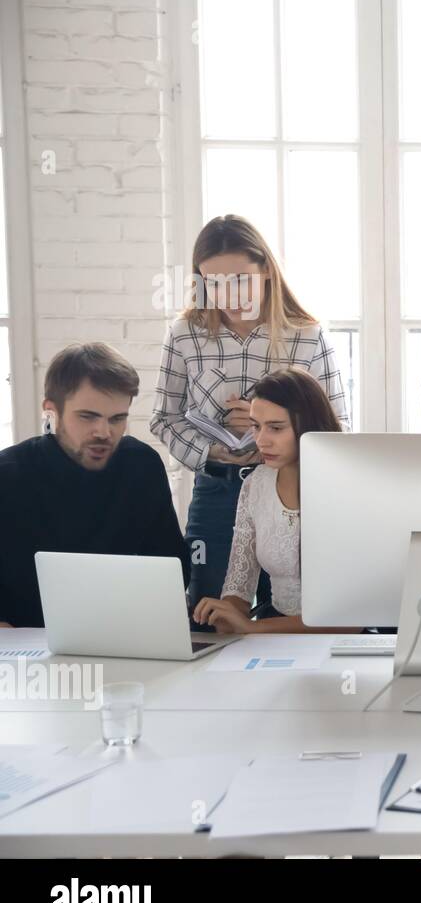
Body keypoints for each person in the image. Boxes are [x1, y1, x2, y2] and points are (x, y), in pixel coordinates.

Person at [150, 215, 350, 613]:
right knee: (209, 611)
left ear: (267, 272)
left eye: (241, 280)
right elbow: (163, 418)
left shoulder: (307, 336)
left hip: (292, 494)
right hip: (218, 490)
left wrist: (274, 429)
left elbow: (337, 428)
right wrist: (214, 451)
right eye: (214, 284)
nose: (229, 297)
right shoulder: (184, 334)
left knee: (293, 610)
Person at [0, 343, 189, 628]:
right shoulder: (8, 474)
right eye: (88, 417)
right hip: (26, 644)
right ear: (51, 412)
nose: (104, 432)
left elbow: (173, 569)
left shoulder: (142, 466)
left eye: (117, 419)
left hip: (122, 633)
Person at [192, 368, 352, 634]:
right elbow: (238, 588)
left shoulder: (346, 487)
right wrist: (225, 614)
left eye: (276, 428)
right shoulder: (256, 483)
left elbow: (349, 621)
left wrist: (252, 628)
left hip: (337, 642)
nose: (261, 440)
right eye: (256, 426)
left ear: (308, 425)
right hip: (274, 635)